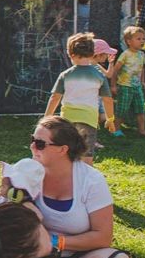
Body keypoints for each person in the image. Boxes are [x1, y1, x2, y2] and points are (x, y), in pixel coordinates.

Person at [30, 117, 131, 258]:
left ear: (63, 149)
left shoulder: (91, 180)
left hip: (76, 257)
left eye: (39, 144)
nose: (32, 147)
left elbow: (103, 237)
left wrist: (55, 242)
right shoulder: (27, 172)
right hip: (33, 253)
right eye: (32, 140)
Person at [44, 32, 116, 165]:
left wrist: (47, 118)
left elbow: (55, 97)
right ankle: (84, 183)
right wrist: (110, 120)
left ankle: (66, 180)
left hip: (67, 121)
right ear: (92, 53)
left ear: (71, 54)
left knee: (66, 156)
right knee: (87, 157)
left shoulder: (65, 75)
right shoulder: (99, 76)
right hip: (88, 121)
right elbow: (108, 100)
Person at [109, 25, 145, 137]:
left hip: (136, 87)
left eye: (143, 39)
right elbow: (115, 71)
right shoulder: (125, 55)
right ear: (129, 41)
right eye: (138, 39)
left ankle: (142, 130)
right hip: (125, 87)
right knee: (122, 109)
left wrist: (142, 81)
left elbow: (142, 68)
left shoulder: (141, 54)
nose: (142, 41)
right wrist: (113, 85)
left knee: (140, 109)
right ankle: (116, 129)